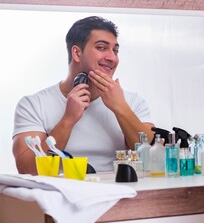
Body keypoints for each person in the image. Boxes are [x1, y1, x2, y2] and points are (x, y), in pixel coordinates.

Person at [12, 16, 154, 175]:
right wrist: (68, 120)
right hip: (61, 196)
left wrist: (121, 109)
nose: (112, 57)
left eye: (115, 50)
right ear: (77, 53)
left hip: (119, 194)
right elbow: (27, 169)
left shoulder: (133, 102)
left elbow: (155, 160)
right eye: (101, 48)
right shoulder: (33, 104)